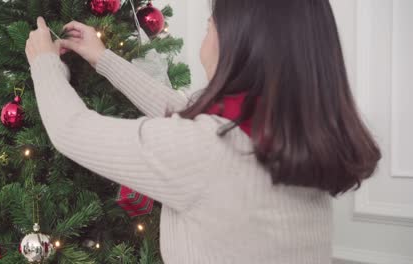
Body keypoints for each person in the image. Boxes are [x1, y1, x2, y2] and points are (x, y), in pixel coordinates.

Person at [25, 0, 381, 263]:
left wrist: (44, 62)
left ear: (240, 44)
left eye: (211, 24)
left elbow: (72, 130)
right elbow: (182, 111)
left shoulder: (209, 149)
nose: (205, 34)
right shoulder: (295, 127)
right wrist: (104, 59)